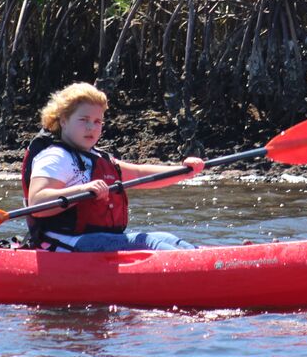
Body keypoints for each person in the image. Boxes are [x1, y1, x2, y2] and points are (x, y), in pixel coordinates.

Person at [20, 82, 203, 251]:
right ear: (63, 121)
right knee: (147, 242)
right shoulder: (55, 156)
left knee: (167, 238)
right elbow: (37, 202)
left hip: (96, 238)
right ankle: (199, 274)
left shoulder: (96, 156)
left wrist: (184, 171)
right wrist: (83, 189)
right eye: (84, 120)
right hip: (63, 242)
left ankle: (210, 268)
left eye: (97, 121)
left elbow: (138, 173)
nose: (91, 127)